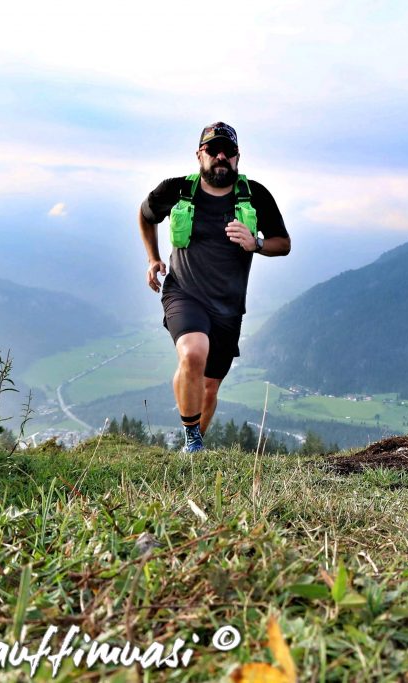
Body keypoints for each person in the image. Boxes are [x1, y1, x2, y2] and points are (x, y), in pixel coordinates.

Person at [138, 122, 291, 452]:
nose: (221, 156)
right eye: (213, 150)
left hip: (228, 307)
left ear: (237, 157)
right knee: (194, 353)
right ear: (199, 155)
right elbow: (146, 215)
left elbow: (284, 243)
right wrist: (153, 258)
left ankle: (191, 447)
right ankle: (193, 443)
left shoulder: (256, 196)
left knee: (208, 387)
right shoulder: (176, 190)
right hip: (184, 293)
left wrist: (257, 243)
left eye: (229, 151)